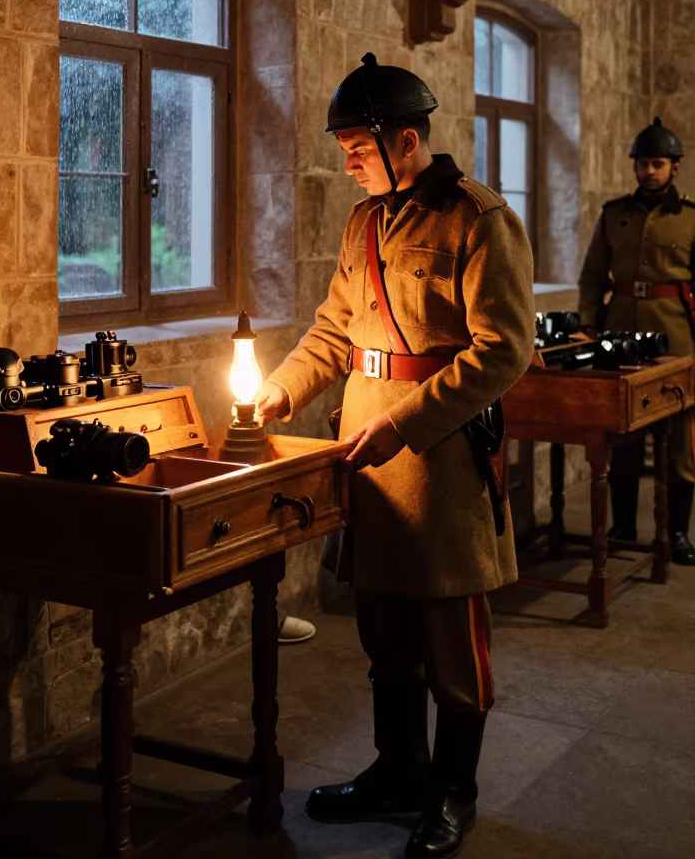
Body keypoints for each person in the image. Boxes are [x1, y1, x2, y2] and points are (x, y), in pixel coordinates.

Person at [256, 53, 534, 859]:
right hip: (365, 453)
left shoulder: (476, 218)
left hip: (437, 459)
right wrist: (281, 390)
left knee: (452, 643)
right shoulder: (364, 223)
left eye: (358, 147)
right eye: (344, 147)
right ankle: (398, 772)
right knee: (384, 632)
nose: (348, 162)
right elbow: (334, 329)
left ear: (406, 140)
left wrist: (404, 426)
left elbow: (501, 351)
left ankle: (453, 794)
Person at [578, 117, 695, 565]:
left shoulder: (690, 218)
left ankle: (678, 533)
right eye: (643, 163)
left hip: (676, 336)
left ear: (675, 167)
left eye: (657, 164)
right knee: (621, 431)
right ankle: (623, 525)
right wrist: (588, 325)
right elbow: (592, 276)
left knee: (681, 441)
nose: (649, 171)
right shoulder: (614, 214)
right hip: (620, 335)